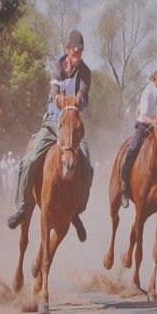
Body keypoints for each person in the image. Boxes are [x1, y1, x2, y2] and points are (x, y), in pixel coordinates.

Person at [6, 29, 93, 241]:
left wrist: (78, 99)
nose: (77, 57)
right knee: (29, 160)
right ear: (67, 49)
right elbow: (53, 92)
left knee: (87, 163)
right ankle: (22, 208)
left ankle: (76, 211)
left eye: (80, 53)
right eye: (75, 52)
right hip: (54, 121)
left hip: (72, 125)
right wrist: (58, 100)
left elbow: (83, 94)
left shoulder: (86, 72)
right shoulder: (56, 66)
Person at [120, 64, 157, 208]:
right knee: (133, 149)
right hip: (144, 126)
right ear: (155, 74)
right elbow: (144, 115)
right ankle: (125, 187)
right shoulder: (148, 90)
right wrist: (153, 121)